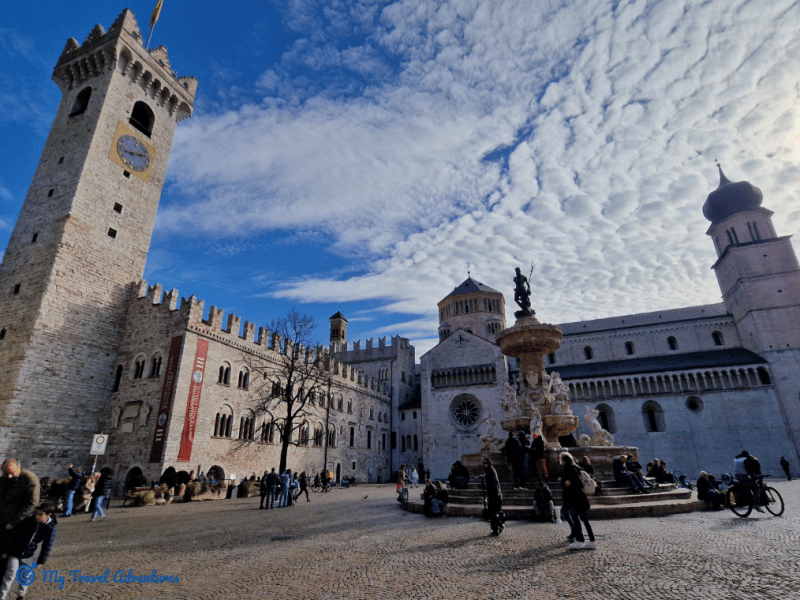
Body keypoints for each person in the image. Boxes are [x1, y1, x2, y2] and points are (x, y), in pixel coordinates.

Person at [0, 507, 57, 600]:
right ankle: (2, 596)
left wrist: (41, 561)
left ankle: (21, 594)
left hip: (28, 554)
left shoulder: (50, 527)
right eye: (36, 514)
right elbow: (14, 534)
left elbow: (47, 545)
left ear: (48, 515)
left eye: (40, 514)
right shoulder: (29, 520)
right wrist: (6, 550)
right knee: (11, 574)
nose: (37, 516)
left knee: (25, 575)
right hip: (14, 551)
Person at [560, 452, 596, 550]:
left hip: (575, 498)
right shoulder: (577, 468)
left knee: (576, 518)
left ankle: (580, 541)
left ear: (563, 461)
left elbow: (577, 483)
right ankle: (592, 541)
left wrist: (566, 483)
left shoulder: (569, 470)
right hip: (582, 498)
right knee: (584, 519)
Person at [0, 459, 40, 530]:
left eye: (11, 473)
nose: (9, 476)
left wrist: (13, 523)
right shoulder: (5, 478)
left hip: (17, 521)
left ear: (18, 468)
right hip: (4, 517)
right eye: (6, 473)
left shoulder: (30, 479)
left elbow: (33, 503)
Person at [483, 458, 504, 536]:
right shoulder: (487, 471)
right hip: (491, 495)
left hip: (495, 495)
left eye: (486, 463)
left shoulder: (492, 471)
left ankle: (498, 528)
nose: (485, 465)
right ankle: (497, 527)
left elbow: (496, 483)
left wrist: (497, 494)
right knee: (492, 513)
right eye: (484, 464)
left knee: (493, 513)